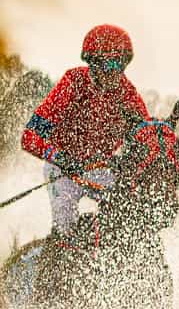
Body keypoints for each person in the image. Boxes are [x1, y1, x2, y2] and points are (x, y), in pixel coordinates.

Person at [21, 24, 151, 241]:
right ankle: (58, 256)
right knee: (65, 224)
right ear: (92, 62)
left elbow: (147, 142)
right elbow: (29, 137)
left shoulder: (128, 95)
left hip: (100, 169)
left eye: (119, 64)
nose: (113, 71)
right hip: (62, 169)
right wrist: (59, 157)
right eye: (107, 64)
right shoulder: (72, 83)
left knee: (127, 207)